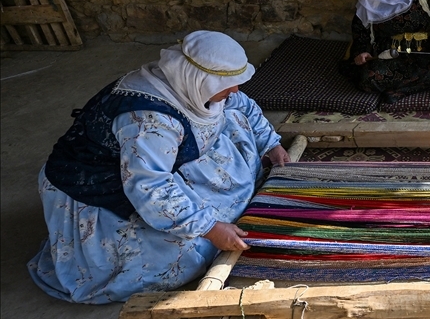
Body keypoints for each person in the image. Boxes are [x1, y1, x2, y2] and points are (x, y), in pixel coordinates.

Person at [28, 31, 289, 303]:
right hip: (101, 184)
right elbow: (150, 186)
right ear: (202, 79)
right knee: (187, 254)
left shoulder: (194, 85)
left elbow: (242, 103)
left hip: (153, 164)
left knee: (234, 120)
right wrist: (210, 228)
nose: (235, 89)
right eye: (229, 83)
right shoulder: (147, 120)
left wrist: (272, 144)